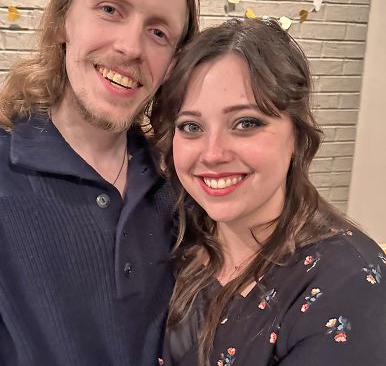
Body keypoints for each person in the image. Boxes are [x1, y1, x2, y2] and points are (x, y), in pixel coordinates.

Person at [0, 0, 199, 366]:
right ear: (62, 21)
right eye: (110, 9)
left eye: (159, 33)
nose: (130, 46)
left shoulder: (180, 186)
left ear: (173, 65)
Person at [150, 18, 386, 365]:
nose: (212, 154)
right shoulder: (177, 232)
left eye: (246, 123)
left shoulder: (348, 286)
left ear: (297, 135)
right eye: (191, 126)